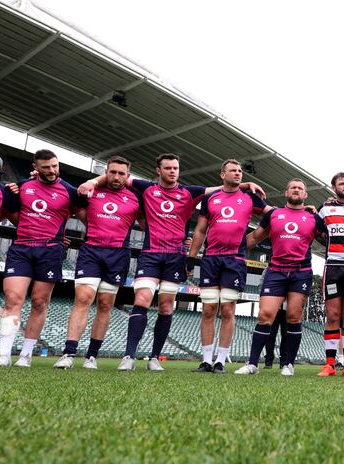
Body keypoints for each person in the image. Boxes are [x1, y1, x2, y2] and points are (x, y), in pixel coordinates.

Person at [77, 152, 263, 372]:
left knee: (166, 306)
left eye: (175, 168)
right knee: (143, 299)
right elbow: (115, 176)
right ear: (159, 170)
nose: (173, 171)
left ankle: (155, 357)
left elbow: (220, 189)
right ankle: (129, 356)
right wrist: (91, 181)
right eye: (168, 168)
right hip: (150, 254)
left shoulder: (189, 192)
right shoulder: (146, 188)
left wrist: (244, 184)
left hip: (175, 256)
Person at [0, 149, 85, 368]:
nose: (52, 171)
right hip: (22, 249)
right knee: (13, 299)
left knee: (39, 302)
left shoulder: (69, 191)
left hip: (50, 251)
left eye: (55, 166)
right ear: (35, 168)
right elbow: (13, 215)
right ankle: (3, 354)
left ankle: (25, 354)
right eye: (46, 167)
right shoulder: (22, 187)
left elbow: (88, 218)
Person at [53, 156, 141, 370]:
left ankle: (91, 356)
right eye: (112, 172)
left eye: (121, 173)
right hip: (91, 250)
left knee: (104, 304)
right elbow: (66, 199)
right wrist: (92, 182)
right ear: (106, 172)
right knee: (82, 299)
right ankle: (69, 353)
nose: (116, 177)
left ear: (128, 176)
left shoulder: (136, 199)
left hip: (118, 254)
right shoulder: (90, 192)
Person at [236, 178, 325, 376]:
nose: (296, 190)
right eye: (292, 187)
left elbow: (328, 240)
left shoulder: (313, 218)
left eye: (300, 188)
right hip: (275, 270)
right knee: (265, 315)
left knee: (293, 316)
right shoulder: (274, 214)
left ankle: (288, 364)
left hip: (300, 272)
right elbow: (254, 238)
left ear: (305, 195)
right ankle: (252, 364)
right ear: (286, 193)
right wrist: (231, 250)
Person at [188, 159, 269, 373]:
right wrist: (192, 257)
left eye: (240, 171)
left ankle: (220, 361)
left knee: (227, 309)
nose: (238, 173)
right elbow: (200, 230)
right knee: (208, 309)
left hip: (235, 259)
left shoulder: (249, 197)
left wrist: (254, 238)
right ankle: (206, 360)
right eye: (233, 170)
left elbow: (273, 215)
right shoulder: (210, 198)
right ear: (222, 174)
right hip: (211, 258)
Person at [316, 172, 344, 377]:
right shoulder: (324, 209)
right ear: (334, 187)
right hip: (333, 266)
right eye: (341, 183)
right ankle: (330, 364)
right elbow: (316, 232)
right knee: (333, 315)